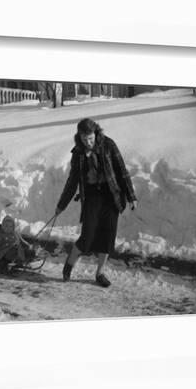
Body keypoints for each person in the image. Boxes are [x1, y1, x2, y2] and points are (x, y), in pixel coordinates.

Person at [55, 118, 138, 287]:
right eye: (84, 139)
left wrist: (131, 196)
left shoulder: (108, 145)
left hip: (111, 196)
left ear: (96, 133)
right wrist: (61, 205)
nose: (88, 142)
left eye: (91, 138)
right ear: (79, 137)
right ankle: (70, 262)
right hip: (92, 198)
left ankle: (100, 273)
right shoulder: (78, 153)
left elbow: (121, 171)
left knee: (107, 237)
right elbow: (72, 181)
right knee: (87, 237)